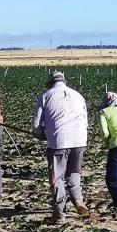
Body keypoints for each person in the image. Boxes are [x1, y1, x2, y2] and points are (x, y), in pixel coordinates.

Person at [31, 71, 88, 222]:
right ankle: (79, 201)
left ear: (50, 82)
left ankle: (59, 214)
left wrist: (41, 134)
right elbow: (85, 122)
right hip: (80, 140)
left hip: (58, 142)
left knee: (57, 179)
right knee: (74, 173)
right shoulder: (78, 95)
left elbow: (36, 124)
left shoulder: (46, 96)